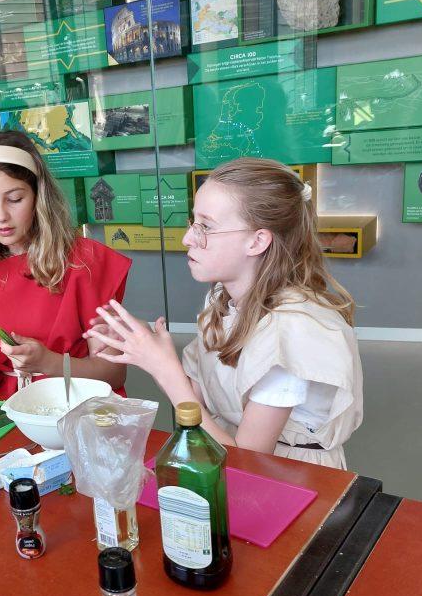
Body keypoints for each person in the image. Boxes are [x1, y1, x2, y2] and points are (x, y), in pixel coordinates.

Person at [86, 157, 363, 469]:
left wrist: (165, 369)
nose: (187, 238)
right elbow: (197, 396)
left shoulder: (292, 332)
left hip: (291, 474)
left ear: (257, 241)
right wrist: (147, 347)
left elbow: (246, 462)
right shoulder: (224, 300)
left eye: (206, 226)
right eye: (193, 222)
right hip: (228, 458)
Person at [0, 130, 132, 398]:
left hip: (74, 404)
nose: (0, 216)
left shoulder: (85, 261)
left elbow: (113, 375)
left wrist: (48, 362)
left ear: (38, 196)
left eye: (15, 199)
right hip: (7, 409)